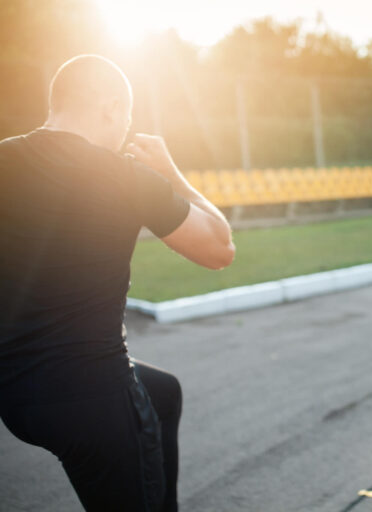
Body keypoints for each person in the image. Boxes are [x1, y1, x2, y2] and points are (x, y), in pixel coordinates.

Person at [0, 55, 235, 511]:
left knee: (163, 392)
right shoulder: (125, 176)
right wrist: (171, 173)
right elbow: (220, 248)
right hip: (93, 398)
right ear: (110, 108)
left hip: (17, 397)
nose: (125, 130)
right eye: (126, 117)